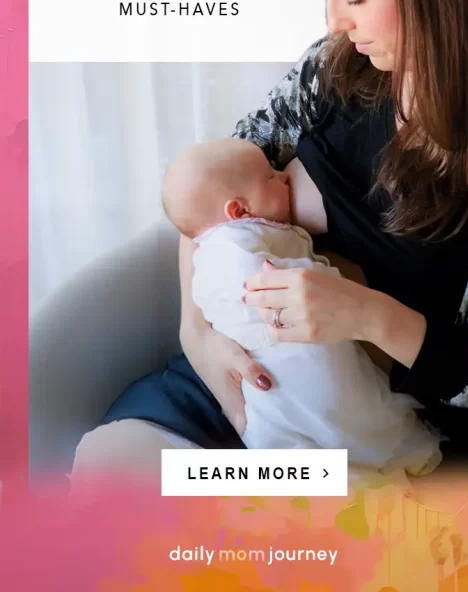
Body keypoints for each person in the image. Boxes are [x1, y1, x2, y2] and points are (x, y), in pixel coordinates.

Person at [72, 0, 468, 490]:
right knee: (108, 472)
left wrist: (363, 314)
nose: (335, 21)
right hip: (251, 374)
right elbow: (206, 190)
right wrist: (199, 336)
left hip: (381, 424)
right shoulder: (330, 71)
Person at [160, 137, 441, 473]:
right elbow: (243, 279)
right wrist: (195, 334)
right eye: (271, 176)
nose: (283, 175)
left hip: (336, 352)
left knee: (352, 412)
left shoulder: (250, 226)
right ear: (239, 210)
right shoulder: (231, 242)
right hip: (271, 367)